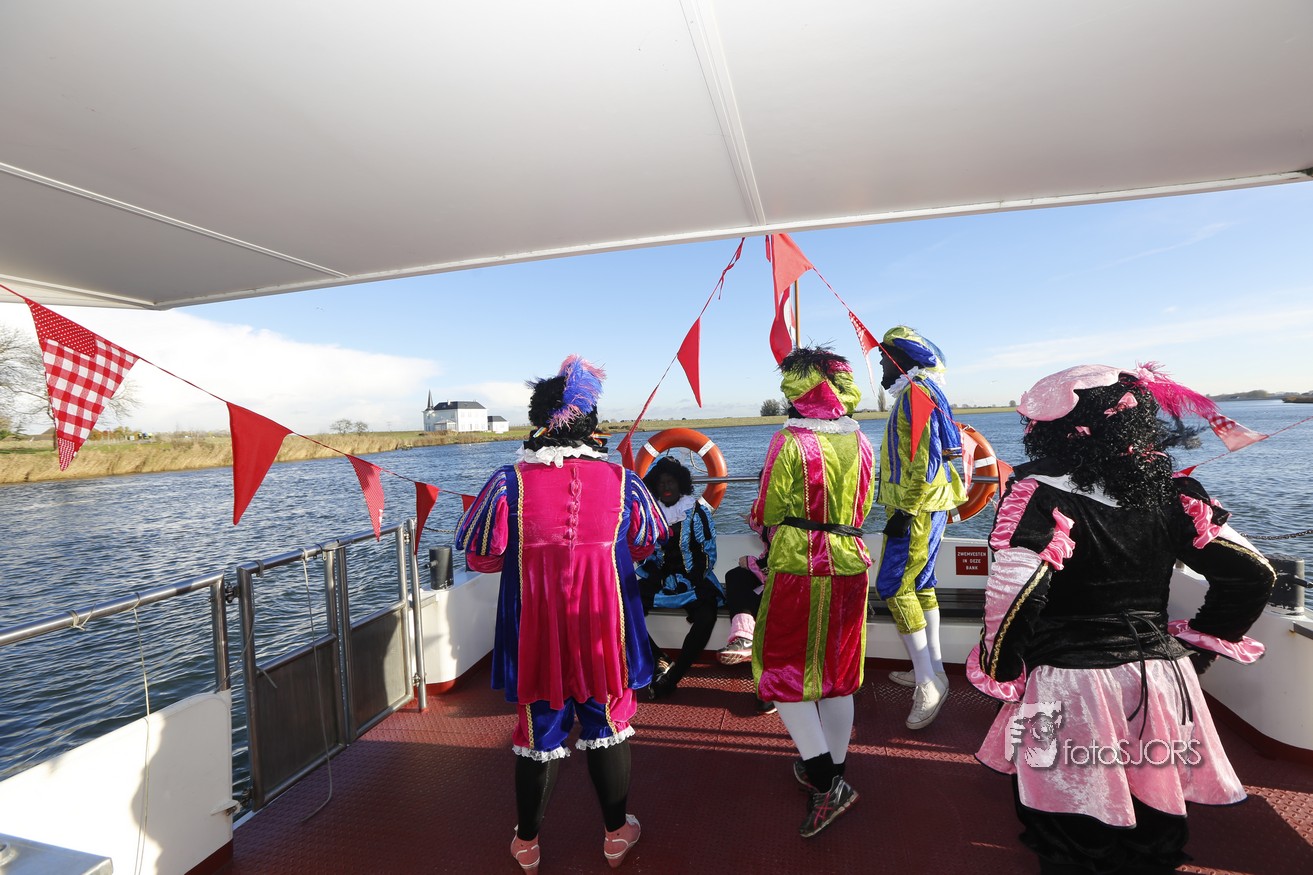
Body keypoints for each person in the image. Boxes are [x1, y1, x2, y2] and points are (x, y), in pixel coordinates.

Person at [968, 363, 1275, 874]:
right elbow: (1254, 575)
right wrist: (1200, 644)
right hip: (1162, 679)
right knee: (1156, 821)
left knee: (1071, 827)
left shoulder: (1038, 495)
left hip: (1072, 685)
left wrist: (1001, 669)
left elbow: (1016, 594)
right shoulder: (1172, 492)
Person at [455, 355, 668, 872]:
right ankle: (615, 834)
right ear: (591, 426)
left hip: (535, 631)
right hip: (604, 629)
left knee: (538, 731)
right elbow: (646, 543)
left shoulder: (508, 482)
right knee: (607, 721)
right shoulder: (623, 482)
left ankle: (527, 844)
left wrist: (530, 558)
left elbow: (481, 556)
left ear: (539, 423)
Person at [750, 346, 875, 837]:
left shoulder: (789, 441)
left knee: (781, 668)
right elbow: (866, 502)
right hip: (850, 561)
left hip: (799, 566)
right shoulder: (861, 441)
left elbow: (767, 508)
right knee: (837, 673)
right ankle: (832, 770)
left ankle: (827, 781)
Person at [874, 325, 966, 729]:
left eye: (884, 360)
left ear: (902, 361)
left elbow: (925, 457)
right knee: (922, 584)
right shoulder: (921, 391)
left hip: (919, 508)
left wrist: (905, 511)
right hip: (931, 505)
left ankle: (928, 684)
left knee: (894, 586)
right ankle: (933, 670)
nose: (880, 367)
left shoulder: (916, 394)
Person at [636, 456, 725, 699]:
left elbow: (708, 551)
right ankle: (659, 658)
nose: (666, 487)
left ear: (681, 484)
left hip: (693, 578)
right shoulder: (650, 514)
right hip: (660, 579)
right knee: (623, 608)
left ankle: (674, 676)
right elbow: (644, 550)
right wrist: (653, 572)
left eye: (671, 482)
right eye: (661, 483)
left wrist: (695, 576)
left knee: (706, 615)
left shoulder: (696, 512)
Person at [716, 501, 775, 714]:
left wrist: (751, 563)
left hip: (791, 580)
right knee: (736, 577)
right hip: (771, 575)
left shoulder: (795, 518)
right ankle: (743, 636)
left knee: (763, 612)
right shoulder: (774, 514)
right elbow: (764, 527)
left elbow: (786, 558)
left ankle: (769, 690)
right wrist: (752, 519)